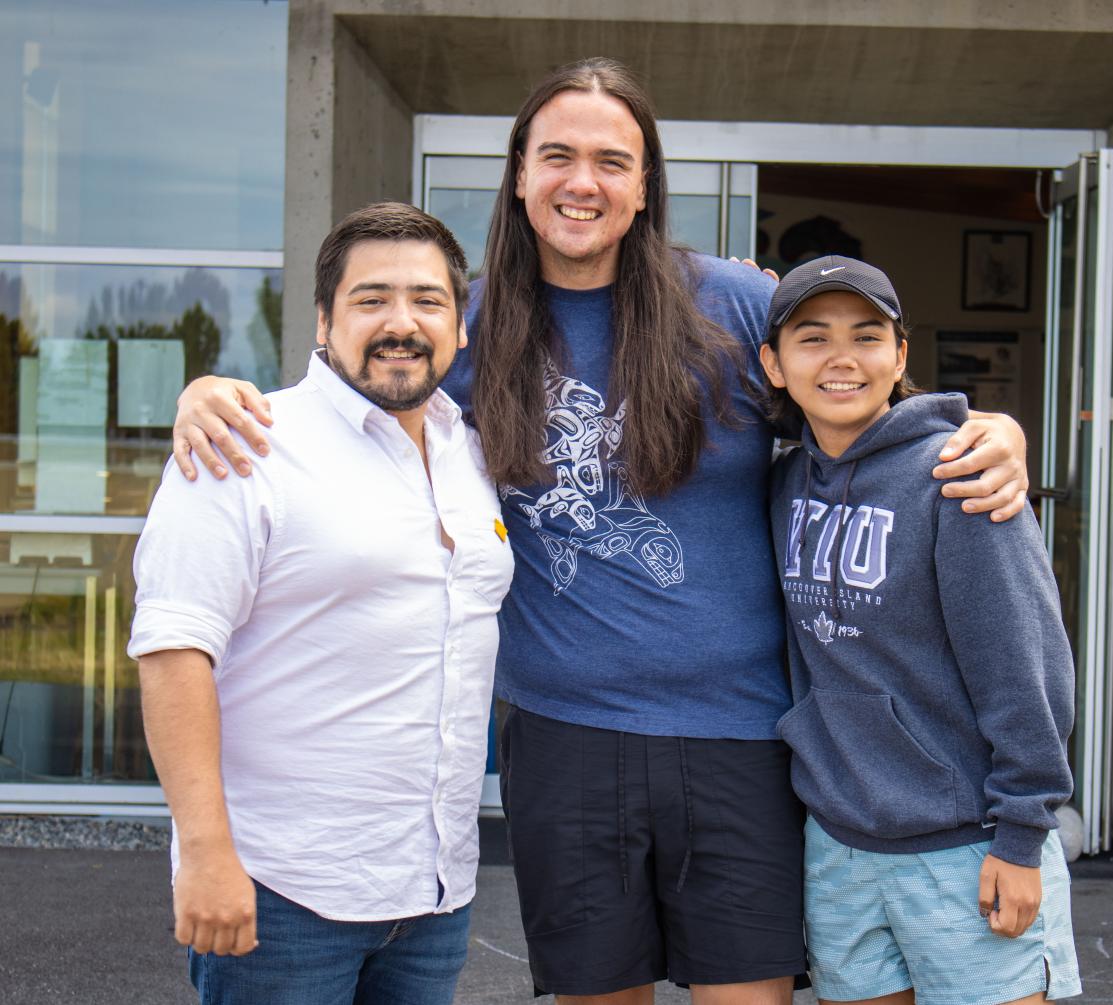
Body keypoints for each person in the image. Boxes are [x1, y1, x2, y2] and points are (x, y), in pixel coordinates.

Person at [170, 59, 1031, 1005]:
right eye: (558, 157)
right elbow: (348, 389)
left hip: (740, 734)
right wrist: (212, 391)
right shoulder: (468, 326)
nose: (583, 182)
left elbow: (860, 402)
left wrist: (989, 427)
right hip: (565, 738)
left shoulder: (737, 307)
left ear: (644, 183)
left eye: (611, 161)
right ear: (520, 174)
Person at [129, 203, 514, 1004]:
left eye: (427, 301)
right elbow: (173, 651)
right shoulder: (246, 444)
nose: (400, 323)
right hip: (284, 889)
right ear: (323, 319)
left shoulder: (472, 450)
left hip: (434, 889)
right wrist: (204, 853)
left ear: (461, 325)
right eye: (371, 299)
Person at [759, 255, 1081, 1005]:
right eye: (812, 338)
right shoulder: (779, 485)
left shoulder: (959, 474)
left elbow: (1023, 663)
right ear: (774, 363)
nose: (842, 358)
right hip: (839, 845)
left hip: (963, 844)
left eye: (866, 336)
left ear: (900, 356)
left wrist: (1022, 833)